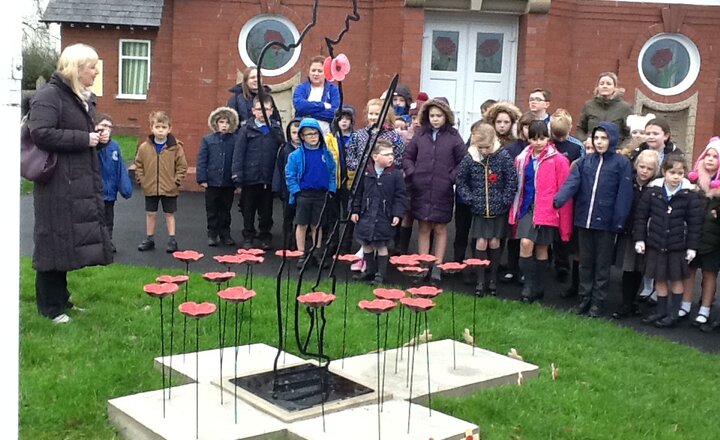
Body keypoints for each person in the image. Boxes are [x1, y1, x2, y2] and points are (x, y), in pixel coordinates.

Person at [27, 43, 113, 323]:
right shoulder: (49, 96)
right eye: (92, 66)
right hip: (55, 183)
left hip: (76, 180)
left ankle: (62, 300)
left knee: (65, 242)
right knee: (53, 241)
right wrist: (84, 139)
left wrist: (99, 139)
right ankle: (49, 309)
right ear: (75, 68)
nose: (96, 71)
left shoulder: (79, 96)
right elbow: (40, 133)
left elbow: (78, 136)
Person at [554, 122, 634, 317]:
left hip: (606, 224)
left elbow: (624, 194)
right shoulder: (585, 162)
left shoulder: (621, 163)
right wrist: (559, 199)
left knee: (602, 265)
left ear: (612, 139)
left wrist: (618, 220)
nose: (599, 142)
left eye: (604, 138)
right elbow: (572, 182)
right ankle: (584, 299)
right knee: (585, 263)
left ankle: (598, 302)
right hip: (584, 220)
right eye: (596, 138)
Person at [403, 98, 467, 282]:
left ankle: (437, 267)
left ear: (446, 116)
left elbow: (463, 161)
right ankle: (423, 265)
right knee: (423, 226)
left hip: (443, 189)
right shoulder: (420, 135)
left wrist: (451, 178)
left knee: (440, 227)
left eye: (439, 115)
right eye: (432, 115)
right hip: (421, 187)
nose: (435, 119)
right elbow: (408, 157)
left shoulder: (453, 137)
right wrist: (412, 173)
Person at [634, 155, 702, 328]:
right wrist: (640, 239)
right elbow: (641, 217)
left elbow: (695, 224)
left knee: (677, 281)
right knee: (659, 279)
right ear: (664, 172)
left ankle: (673, 314)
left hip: (677, 247)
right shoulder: (653, 193)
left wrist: (692, 248)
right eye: (672, 172)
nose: (676, 176)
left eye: (680, 173)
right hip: (656, 245)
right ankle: (661, 312)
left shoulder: (689, 196)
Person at [509, 120, 572, 302]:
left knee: (542, 248)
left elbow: (564, 190)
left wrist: (563, 222)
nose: (538, 142)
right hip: (527, 207)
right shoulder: (522, 158)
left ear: (548, 138)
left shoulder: (559, 160)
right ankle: (528, 286)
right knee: (526, 243)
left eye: (542, 138)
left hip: (547, 210)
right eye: (534, 138)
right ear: (528, 139)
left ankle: (539, 287)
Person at [456, 122, 517, 296]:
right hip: (479, 209)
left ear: (494, 141)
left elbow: (511, 181)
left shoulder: (503, 156)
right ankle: (480, 281)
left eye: (487, 147)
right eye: (480, 147)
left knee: (495, 242)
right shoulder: (470, 157)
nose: (483, 151)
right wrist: (470, 199)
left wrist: (505, 200)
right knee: (481, 242)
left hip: (498, 209)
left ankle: (492, 280)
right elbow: (461, 181)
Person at [611, 149, 660, 319]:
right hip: (628, 230)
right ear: (636, 165)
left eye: (649, 169)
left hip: (646, 235)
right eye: (642, 167)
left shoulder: (655, 188)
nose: (644, 171)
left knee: (640, 269)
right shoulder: (628, 182)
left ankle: (632, 303)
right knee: (628, 268)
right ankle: (625, 303)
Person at [232, 95, 285, 250]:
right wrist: (237, 176)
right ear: (253, 111)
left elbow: (281, 151)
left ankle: (265, 235)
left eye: (266, 109)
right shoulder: (245, 130)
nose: (262, 112)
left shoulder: (276, 129)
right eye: (259, 109)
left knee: (266, 209)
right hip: (250, 177)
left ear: (271, 111)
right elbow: (238, 153)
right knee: (248, 209)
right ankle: (248, 235)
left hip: (268, 178)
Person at [350, 140, 406, 285]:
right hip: (366, 215)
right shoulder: (365, 173)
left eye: (392, 154)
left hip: (384, 216)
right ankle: (369, 270)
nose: (391, 157)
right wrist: (355, 210)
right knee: (366, 243)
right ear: (375, 156)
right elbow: (358, 193)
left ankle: (381, 275)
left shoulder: (396, 175)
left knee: (381, 245)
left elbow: (400, 196)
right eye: (386, 154)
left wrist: (397, 214)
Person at [285, 118, 337, 269]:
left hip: (321, 194)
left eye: (315, 133)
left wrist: (331, 190)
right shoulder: (296, 155)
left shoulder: (326, 154)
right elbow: (290, 175)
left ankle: (316, 252)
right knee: (302, 224)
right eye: (308, 134)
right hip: (304, 194)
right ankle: (301, 254)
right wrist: (296, 191)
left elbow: (332, 173)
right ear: (302, 136)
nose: (313, 137)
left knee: (317, 225)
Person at [135, 111, 188, 253]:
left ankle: (172, 239)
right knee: (151, 213)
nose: (160, 130)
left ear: (169, 129)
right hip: (150, 187)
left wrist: (175, 181)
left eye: (163, 127)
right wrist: (142, 180)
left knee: (169, 214)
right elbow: (138, 165)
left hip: (169, 188)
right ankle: (149, 238)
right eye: (157, 127)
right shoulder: (144, 147)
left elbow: (182, 166)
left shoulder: (176, 147)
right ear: (151, 128)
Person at [682, 137, 720, 327]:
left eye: (715, 156)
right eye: (708, 155)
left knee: (709, 274)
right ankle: (685, 304)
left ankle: (705, 308)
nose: (710, 159)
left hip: (714, 240)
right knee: (689, 271)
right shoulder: (693, 182)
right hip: (694, 236)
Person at [548, 108, 583, 281]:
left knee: (564, 233)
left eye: (562, 136)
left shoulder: (577, 147)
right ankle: (545, 262)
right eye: (556, 135)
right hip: (549, 193)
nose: (560, 140)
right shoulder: (546, 144)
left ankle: (562, 265)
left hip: (569, 196)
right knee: (548, 230)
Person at [196, 106, 239, 247]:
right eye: (221, 122)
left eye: (227, 123)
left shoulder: (235, 140)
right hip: (212, 181)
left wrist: (237, 180)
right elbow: (202, 159)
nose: (224, 125)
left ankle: (225, 233)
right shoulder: (208, 140)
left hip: (228, 182)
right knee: (212, 209)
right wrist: (202, 178)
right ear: (216, 123)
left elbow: (237, 160)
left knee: (225, 209)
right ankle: (212, 233)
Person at [502, 111, 534, 284]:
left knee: (527, 236)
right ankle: (511, 268)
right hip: (514, 196)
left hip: (530, 199)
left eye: (531, 126)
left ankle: (525, 271)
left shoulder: (539, 149)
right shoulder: (512, 149)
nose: (528, 130)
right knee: (513, 235)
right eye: (526, 126)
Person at [96, 113, 133, 253]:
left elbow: (120, 168)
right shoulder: (92, 146)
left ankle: (108, 241)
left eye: (109, 127)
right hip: (95, 191)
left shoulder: (114, 147)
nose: (107, 130)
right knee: (95, 219)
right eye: (104, 126)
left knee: (108, 219)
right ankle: (97, 243)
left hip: (109, 192)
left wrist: (125, 188)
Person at [576, 72, 633, 147]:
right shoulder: (589, 105)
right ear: (597, 87)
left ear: (615, 88)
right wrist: (584, 141)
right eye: (602, 84)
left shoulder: (625, 108)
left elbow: (630, 134)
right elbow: (580, 128)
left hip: (614, 151)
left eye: (608, 84)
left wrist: (622, 150)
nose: (604, 86)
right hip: (592, 149)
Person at [272, 117, 303, 250]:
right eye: (293, 133)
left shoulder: (307, 149)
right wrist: (278, 188)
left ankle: (297, 242)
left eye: (299, 133)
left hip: (303, 190)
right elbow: (279, 169)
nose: (296, 136)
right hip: (288, 190)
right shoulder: (284, 149)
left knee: (301, 218)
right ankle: (287, 242)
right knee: (288, 217)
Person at [292, 55, 340, 134]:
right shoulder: (301, 88)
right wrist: (323, 105)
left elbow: (335, 114)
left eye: (320, 71)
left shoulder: (333, 90)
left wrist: (307, 114)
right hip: (303, 136)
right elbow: (300, 106)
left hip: (327, 137)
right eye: (313, 70)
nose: (316, 74)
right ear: (309, 71)